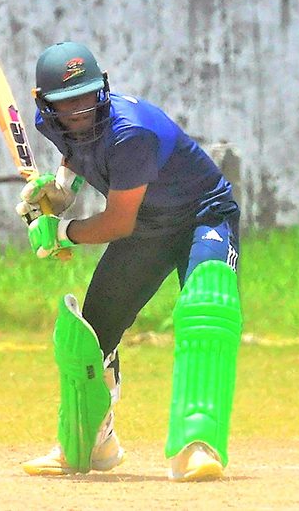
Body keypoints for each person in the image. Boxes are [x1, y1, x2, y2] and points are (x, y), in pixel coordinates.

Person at [16, 42, 243, 482]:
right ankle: (88, 443)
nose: (80, 112)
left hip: (203, 215)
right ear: (46, 105)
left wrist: (60, 232)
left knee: (206, 310)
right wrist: (61, 191)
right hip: (149, 225)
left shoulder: (130, 133)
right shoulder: (50, 122)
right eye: (68, 104)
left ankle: (198, 445)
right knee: (89, 337)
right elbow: (75, 153)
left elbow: (118, 222)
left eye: (87, 98)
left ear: (102, 88)